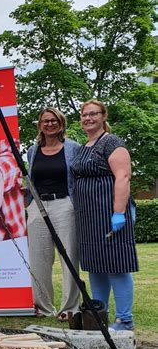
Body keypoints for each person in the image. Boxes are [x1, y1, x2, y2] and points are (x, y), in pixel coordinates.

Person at [71, 99, 138, 331]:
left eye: (93, 114)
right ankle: (99, 317)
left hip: (109, 214)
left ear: (103, 116)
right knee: (95, 266)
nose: (87, 118)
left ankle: (124, 320)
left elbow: (123, 177)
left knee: (117, 265)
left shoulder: (112, 143)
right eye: (84, 115)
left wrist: (118, 213)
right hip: (88, 217)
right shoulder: (84, 147)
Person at [26, 108, 81, 320]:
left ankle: (69, 308)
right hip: (38, 206)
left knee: (68, 256)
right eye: (45, 121)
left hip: (64, 205)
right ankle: (43, 307)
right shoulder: (33, 150)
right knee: (38, 259)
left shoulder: (72, 148)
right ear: (40, 125)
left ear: (61, 123)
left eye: (54, 120)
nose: (49, 124)